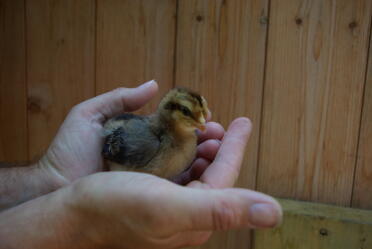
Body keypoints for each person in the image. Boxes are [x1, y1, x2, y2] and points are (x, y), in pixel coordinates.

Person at [0, 81, 282, 249]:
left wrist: (50, 179)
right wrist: (65, 191)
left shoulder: (190, 140)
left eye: (201, 115)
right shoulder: (149, 145)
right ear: (170, 113)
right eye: (188, 113)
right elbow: (111, 143)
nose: (201, 123)